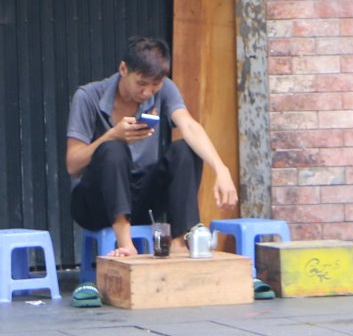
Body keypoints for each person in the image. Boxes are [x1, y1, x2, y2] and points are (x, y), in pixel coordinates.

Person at [64, 35, 237, 258]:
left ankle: (179, 241)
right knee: (113, 149)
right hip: (96, 203)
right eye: (141, 84)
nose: (146, 93)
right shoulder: (87, 97)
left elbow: (189, 125)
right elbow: (72, 165)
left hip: (142, 199)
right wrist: (111, 135)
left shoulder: (165, 90)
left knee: (184, 150)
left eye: (155, 86)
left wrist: (221, 169)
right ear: (123, 69)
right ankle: (126, 245)